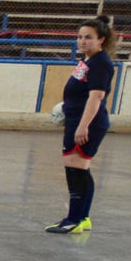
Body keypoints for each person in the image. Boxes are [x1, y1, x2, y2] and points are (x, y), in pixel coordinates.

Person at [47, 16, 116, 235]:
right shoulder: (88, 61)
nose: (82, 41)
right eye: (79, 37)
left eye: (88, 37)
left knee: (76, 170)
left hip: (87, 124)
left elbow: (95, 97)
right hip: (75, 119)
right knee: (77, 169)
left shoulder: (101, 64)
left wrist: (83, 126)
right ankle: (81, 217)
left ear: (101, 40)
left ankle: (74, 218)